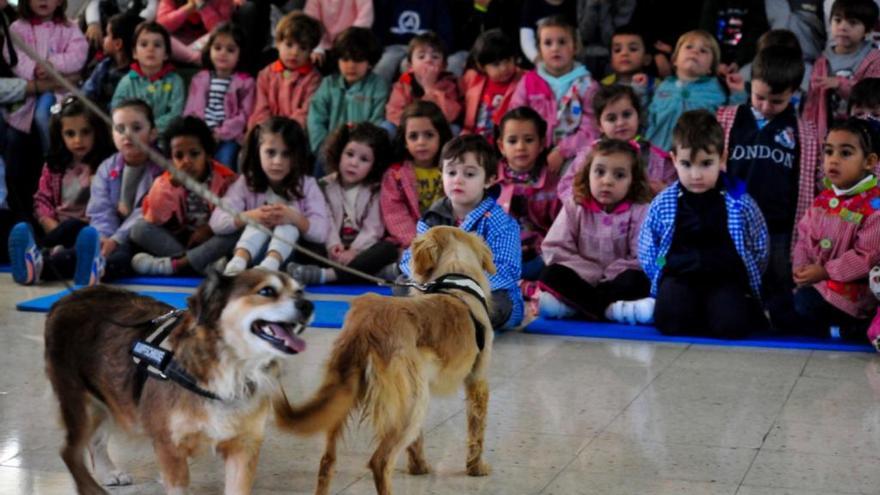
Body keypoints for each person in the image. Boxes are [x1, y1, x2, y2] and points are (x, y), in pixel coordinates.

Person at [717, 45, 823, 331]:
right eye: (759, 97)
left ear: (793, 94)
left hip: (780, 227)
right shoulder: (727, 119)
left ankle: (778, 325)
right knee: (735, 277)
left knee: (779, 282)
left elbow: (815, 180)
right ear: (751, 85)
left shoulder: (804, 131)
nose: (765, 106)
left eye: (776, 101)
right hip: (734, 222)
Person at [639, 110, 769, 339]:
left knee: (731, 327)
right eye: (687, 164)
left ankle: (736, 306)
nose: (696, 175)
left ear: (722, 158)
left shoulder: (740, 202)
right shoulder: (663, 203)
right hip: (679, 276)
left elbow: (759, 245)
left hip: (724, 278)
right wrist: (661, 269)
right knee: (669, 322)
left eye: (706, 164)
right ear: (673, 160)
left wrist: (745, 274)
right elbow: (649, 246)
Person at [399, 134, 524, 329]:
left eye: (469, 174)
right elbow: (411, 258)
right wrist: (430, 278)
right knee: (401, 285)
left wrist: (460, 283)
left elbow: (506, 271)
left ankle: (448, 321)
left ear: (489, 180)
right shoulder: (432, 218)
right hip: (437, 289)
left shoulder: (502, 222)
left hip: (481, 292)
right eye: (451, 173)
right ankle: (443, 319)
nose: (458, 180)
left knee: (501, 304)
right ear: (441, 174)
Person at [537, 138, 653, 324]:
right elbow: (555, 247)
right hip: (581, 278)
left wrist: (609, 274)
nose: (607, 181)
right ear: (587, 174)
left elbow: (641, 257)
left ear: (633, 180)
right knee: (550, 274)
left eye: (619, 175)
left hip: (617, 281)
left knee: (638, 280)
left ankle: (579, 307)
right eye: (599, 172)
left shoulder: (641, 210)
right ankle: (609, 310)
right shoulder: (575, 205)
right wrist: (591, 272)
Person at [7, 97, 113, 285]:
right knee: (60, 234)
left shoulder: (106, 165)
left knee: (77, 243)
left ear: (97, 131)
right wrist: (54, 229)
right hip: (56, 230)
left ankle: (38, 261)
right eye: (70, 134)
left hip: (89, 230)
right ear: (60, 135)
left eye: (85, 132)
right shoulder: (54, 165)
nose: (78, 140)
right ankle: (38, 260)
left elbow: (107, 208)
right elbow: (42, 201)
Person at [792, 118, 880, 341]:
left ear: (869, 161)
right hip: (821, 284)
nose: (833, 160)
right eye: (829, 152)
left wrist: (825, 271)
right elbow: (804, 237)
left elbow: (865, 258)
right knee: (781, 305)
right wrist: (802, 267)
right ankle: (839, 331)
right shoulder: (824, 198)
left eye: (846, 153)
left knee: (803, 305)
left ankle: (853, 330)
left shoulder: (875, 205)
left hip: (855, 295)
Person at [211, 117, 330, 275]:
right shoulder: (246, 183)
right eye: (270, 152)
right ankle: (237, 262)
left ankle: (270, 264)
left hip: (290, 261)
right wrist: (251, 215)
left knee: (286, 222)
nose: (277, 161)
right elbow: (217, 222)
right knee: (262, 218)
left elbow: (321, 233)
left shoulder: (308, 185)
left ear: (297, 156)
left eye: (286, 154)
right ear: (258, 151)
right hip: (250, 254)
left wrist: (294, 218)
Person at [288, 122, 398, 285]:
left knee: (387, 249)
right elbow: (326, 221)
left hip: (362, 250)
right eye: (350, 154)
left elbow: (373, 228)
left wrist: (354, 251)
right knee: (305, 242)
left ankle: (327, 275)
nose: (353, 163)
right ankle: (372, 273)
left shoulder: (376, 190)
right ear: (339, 153)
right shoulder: (324, 185)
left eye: (364, 159)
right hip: (332, 250)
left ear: (374, 165)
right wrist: (334, 246)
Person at [129, 116, 237, 275]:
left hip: (212, 238)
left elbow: (232, 215)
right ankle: (200, 265)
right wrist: (170, 186)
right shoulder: (166, 181)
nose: (186, 161)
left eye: (194, 154)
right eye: (179, 156)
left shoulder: (226, 179)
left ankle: (176, 265)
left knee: (236, 232)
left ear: (207, 154)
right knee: (139, 229)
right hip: (181, 241)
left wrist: (209, 229)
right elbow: (156, 218)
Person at [82, 99, 166, 285]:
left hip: (137, 237)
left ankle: (97, 270)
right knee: (76, 232)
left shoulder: (161, 169)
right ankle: (44, 261)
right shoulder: (106, 167)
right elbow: (100, 209)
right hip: (109, 233)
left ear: (152, 133)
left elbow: (145, 212)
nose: (127, 134)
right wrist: (104, 237)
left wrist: (115, 240)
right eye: (120, 129)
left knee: (122, 258)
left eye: (136, 128)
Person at [510, 15, 600, 175]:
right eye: (548, 43)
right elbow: (514, 119)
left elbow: (591, 131)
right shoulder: (528, 81)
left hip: (572, 155)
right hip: (532, 151)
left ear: (575, 47)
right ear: (539, 49)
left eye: (562, 42)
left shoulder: (588, 85)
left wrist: (562, 151)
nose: (555, 48)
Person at [560, 84, 675, 198]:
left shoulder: (658, 159)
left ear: (638, 117)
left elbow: (677, 193)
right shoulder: (588, 156)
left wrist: (665, 192)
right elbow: (565, 188)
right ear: (600, 125)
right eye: (611, 118)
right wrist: (590, 194)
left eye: (626, 115)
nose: (620, 123)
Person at [4, 0, 88, 154]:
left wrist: (53, 64)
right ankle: (45, 162)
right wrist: (33, 69)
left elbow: (78, 54)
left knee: (46, 115)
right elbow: (13, 56)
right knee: (19, 130)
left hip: (60, 90)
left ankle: (58, 158)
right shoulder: (17, 28)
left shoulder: (69, 27)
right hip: (28, 92)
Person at [645, 29, 747, 151]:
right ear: (675, 60)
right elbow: (650, 115)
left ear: (711, 68)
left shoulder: (715, 89)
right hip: (660, 155)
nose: (695, 52)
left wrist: (738, 93)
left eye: (703, 51)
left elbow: (729, 119)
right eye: (689, 47)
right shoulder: (663, 85)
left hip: (697, 158)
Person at [493, 107, 560, 281]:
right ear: (501, 146)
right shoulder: (489, 179)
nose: (521, 147)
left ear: (541, 144)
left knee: (553, 268)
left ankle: (526, 288)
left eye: (529, 140)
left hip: (540, 254)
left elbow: (560, 228)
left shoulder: (553, 183)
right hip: (499, 254)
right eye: (512, 141)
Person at [803, 0, 880, 142]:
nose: (843, 27)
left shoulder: (874, 59)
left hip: (864, 134)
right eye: (837, 20)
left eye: (853, 23)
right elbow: (813, 104)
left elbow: (873, 97)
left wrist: (840, 84)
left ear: (868, 30)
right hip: (830, 131)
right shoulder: (822, 62)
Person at [379, 101, 453, 249]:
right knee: (383, 251)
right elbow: (395, 214)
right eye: (413, 136)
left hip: (449, 239)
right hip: (410, 243)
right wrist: (416, 242)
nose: (421, 142)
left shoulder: (454, 170)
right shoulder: (395, 175)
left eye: (429, 135)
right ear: (405, 141)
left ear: (441, 137)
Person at [183, 23, 255, 169]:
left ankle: (222, 191)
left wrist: (220, 134)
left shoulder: (245, 82)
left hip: (229, 137)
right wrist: (202, 133)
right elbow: (191, 111)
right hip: (200, 134)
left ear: (240, 54)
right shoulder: (199, 78)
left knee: (224, 162)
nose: (223, 53)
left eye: (230, 50)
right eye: (217, 48)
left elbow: (244, 115)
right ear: (209, 50)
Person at [306, 26, 388, 156]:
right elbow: (316, 119)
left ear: (370, 62)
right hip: (328, 151)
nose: (351, 65)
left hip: (362, 154)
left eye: (358, 59)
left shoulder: (379, 86)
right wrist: (324, 148)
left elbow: (377, 122)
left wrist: (360, 150)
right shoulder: (328, 83)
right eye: (345, 59)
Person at [247, 11, 323, 130]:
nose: (295, 53)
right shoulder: (265, 74)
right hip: (266, 135)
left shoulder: (314, 79)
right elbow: (260, 108)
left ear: (310, 51)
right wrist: (269, 131)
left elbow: (306, 112)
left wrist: (286, 133)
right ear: (277, 43)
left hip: (295, 136)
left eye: (303, 48)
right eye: (289, 45)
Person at [111, 21, 186, 133]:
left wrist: (152, 128)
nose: (150, 49)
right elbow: (116, 111)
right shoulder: (126, 82)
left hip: (165, 137)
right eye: (144, 44)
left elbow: (176, 113)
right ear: (134, 53)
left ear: (166, 54)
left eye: (157, 45)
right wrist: (136, 129)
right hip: (132, 137)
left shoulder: (175, 81)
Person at [384, 31, 462, 129]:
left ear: (444, 66)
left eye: (435, 57)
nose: (428, 60)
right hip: (408, 129)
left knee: (454, 129)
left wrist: (429, 89)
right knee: (387, 126)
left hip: (436, 130)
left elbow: (450, 116)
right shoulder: (403, 84)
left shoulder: (449, 85)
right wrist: (414, 126)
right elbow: (393, 112)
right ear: (410, 66)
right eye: (421, 57)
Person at [460, 29, 524, 145]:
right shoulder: (473, 79)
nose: (504, 68)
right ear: (481, 66)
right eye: (496, 64)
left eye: (508, 60)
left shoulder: (525, 80)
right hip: (475, 142)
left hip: (508, 144)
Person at [371, 0, 452, 84]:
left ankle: (414, 95)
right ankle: (377, 95)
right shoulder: (388, 3)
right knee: (384, 65)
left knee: (408, 66)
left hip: (424, 47)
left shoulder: (437, 3)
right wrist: (380, 47)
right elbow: (379, 29)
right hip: (395, 46)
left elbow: (444, 32)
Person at [82, 12, 140, 113]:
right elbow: (88, 90)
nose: (104, 39)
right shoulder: (105, 65)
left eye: (107, 35)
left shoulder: (134, 76)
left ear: (118, 44)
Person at [156, 0, 234, 65]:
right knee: (157, 34)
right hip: (177, 43)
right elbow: (162, 26)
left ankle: (184, 56)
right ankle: (195, 58)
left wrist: (202, 6)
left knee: (222, 35)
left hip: (204, 44)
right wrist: (188, 8)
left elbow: (222, 30)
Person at [303, 0, 373, 67]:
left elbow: (365, 17)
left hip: (351, 44)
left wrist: (349, 40)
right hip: (324, 47)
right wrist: (318, 47)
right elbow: (311, 19)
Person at [600, 25, 653, 108]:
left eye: (633, 49)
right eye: (617, 50)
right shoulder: (604, 86)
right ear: (611, 60)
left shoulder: (656, 86)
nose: (624, 53)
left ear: (647, 59)